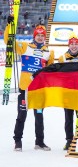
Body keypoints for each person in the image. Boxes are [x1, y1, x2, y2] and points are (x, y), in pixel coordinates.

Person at [4, 18, 54, 151]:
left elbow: (50, 71)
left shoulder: (48, 52)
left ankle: (39, 142)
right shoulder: (25, 47)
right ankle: (18, 141)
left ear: (44, 37)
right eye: (38, 35)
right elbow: (8, 41)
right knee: (21, 116)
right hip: (25, 89)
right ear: (34, 36)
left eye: (42, 35)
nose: (40, 37)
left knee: (39, 117)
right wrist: (10, 26)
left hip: (38, 90)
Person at [58, 35, 78, 150]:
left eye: (76, 44)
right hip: (67, 92)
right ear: (69, 45)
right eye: (72, 44)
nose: (74, 46)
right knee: (68, 118)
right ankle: (69, 140)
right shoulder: (62, 58)